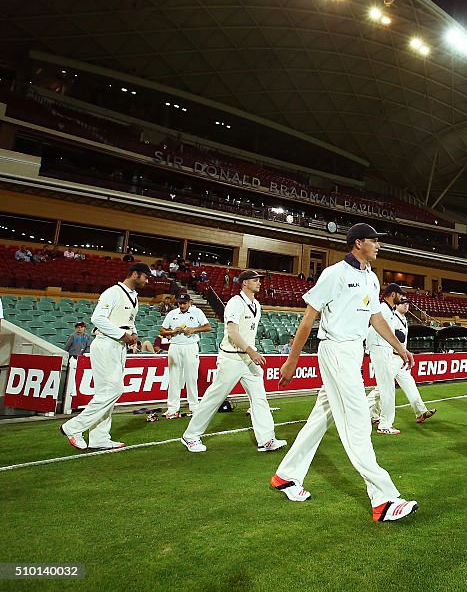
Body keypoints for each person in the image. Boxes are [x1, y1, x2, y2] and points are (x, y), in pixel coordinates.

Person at [270, 222, 419, 522]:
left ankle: (285, 476)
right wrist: (292, 359)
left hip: (353, 352)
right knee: (358, 423)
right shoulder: (333, 274)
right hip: (335, 350)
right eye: (374, 241)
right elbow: (308, 319)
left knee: (320, 418)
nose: (378, 245)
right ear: (358, 243)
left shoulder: (372, 279)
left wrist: (398, 348)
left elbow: (376, 318)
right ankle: (384, 500)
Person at [180, 269, 287, 453]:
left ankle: (267, 440)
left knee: (259, 398)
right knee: (215, 397)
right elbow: (232, 332)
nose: (259, 283)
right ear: (244, 283)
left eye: (259, 280)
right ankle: (190, 436)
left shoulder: (257, 305)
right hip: (231, 357)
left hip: (248, 359)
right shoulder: (235, 303)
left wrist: (250, 352)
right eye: (255, 280)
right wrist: (251, 351)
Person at [60, 263, 151, 451]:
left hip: (119, 346)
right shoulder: (113, 292)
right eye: (145, 277)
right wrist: (122, 335)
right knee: (114, 390)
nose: (147, 280)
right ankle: (73, 427)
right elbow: (97, 319)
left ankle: (99, 437)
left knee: (105, 394)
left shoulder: (134, 297)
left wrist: (133, 335)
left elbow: (128, 322)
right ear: (135, 274)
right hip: (106, 343)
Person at [365, 284, 435, 434]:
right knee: (386, 388)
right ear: (392, 295)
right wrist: (401, 351)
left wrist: (403, 351)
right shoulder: (384, 309)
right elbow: (377, 329)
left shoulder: (389, 311)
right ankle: (383, 424)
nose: (403, 298)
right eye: (400, 295)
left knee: (386, 387)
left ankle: (375, 416)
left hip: (387, 350)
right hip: (381, 348)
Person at [160, 293, 210, 419]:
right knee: (174, 377)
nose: (181, 305)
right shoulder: (172, 313)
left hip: (190, 346)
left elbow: (208, 327)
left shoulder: (197, 312)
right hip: (175, 346)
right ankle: (172, 408)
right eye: (179, 303)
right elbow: (162, 330)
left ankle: (194, 406)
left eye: (184, 303)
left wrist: (193, 330)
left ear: (190, 302)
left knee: (191, 376)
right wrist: (172, 331)